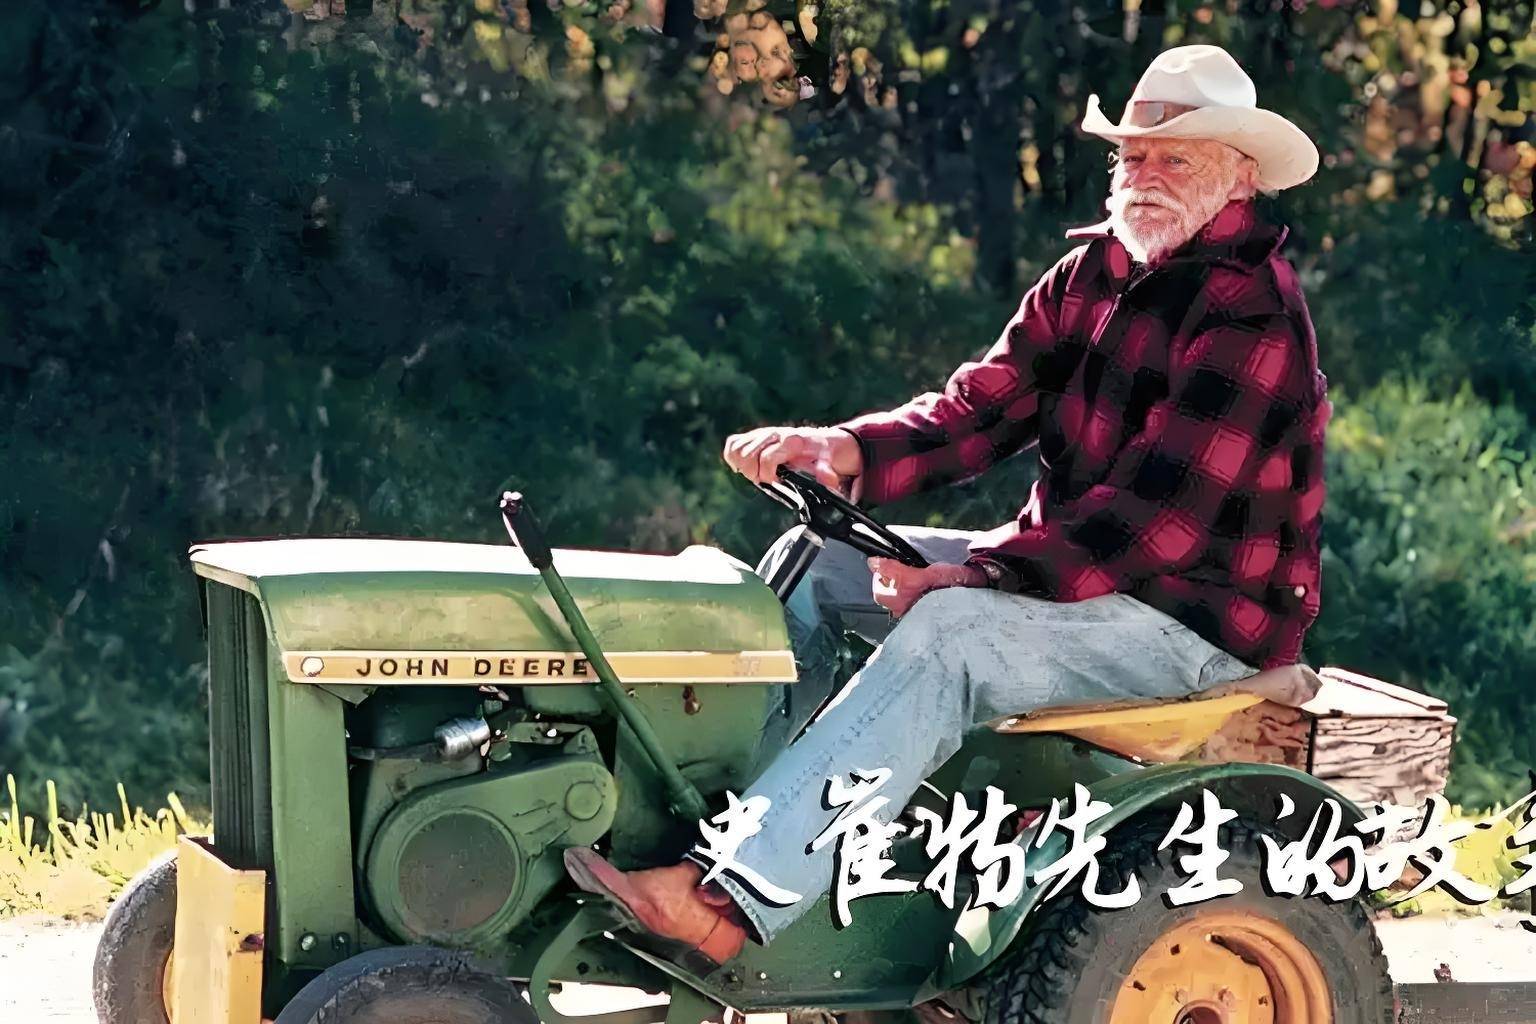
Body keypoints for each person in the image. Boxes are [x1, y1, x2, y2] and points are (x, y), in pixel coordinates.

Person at [565, 44, 1331, 966]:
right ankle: (717, 835)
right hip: (1087, 580)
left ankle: (728, 902)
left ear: (1240, 177)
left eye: (1176, 157)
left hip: (1195, 622)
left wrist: (977, 577)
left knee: (954, 632)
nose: (1145, 175)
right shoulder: (1091, 275)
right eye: (1132, 155)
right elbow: (977, 411)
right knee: (812, 566)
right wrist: (844, 449)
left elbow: (1151, 526)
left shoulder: (1253, 315)